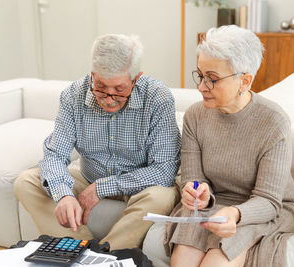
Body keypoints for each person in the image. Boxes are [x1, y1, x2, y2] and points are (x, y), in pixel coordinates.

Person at [14, 33, 181, 250]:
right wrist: (63, 194)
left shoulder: (158, 98)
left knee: (163, 196)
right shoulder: (73, 95)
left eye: (119, 90)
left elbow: (164, 170)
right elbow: (55, 154)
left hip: (140, 186)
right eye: (101, 87)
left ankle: (106, 256)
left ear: (136, 79)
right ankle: (82, 251)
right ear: (93, 75)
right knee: (26, 181)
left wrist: (101, 188)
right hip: (88, 177)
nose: (109, 99)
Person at [164, 25, 294, 267]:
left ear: (245, 81)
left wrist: (235, 214)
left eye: (212, 79)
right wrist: (195, 192)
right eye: (200, 75)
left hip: (263, 207)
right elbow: (194, 178)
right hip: (216, 202)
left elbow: (268, 200)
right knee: (182, 262)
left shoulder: (273, 122)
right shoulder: (195, 116)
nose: (201, 87)